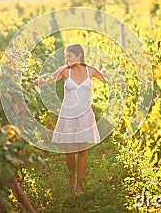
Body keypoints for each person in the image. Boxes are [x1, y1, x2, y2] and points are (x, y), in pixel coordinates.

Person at [29, 43, 111, 195]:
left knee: (82, 152)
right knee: (69, 153)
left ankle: (78, 184)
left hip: (84, 116)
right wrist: (33, 82)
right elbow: (50, 78)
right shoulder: (65, 71)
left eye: (69, 56)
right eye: (66, 56)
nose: (67, 60)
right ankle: (71, 175)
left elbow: (106, 79)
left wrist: (119, 81)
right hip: (68, 116)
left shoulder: (90, 70)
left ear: (79, 56)